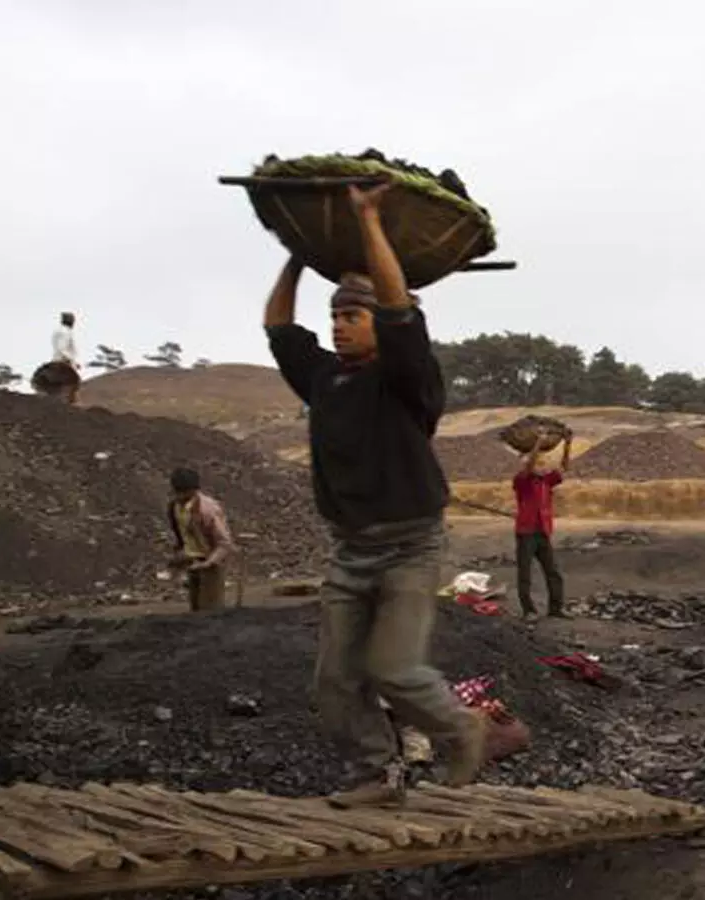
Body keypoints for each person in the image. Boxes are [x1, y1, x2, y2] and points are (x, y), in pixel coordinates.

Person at [264, 182, 488, 808]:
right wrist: (298, 255)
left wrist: (368, 221)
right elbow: (278, 325)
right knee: (336, 679)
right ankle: (380, 775)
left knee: (395, 668)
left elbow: (399, 313)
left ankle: (462, 729)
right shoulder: (325, 378)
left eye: (350, 316)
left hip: (411, 546)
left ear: (379, 325)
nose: (337, 327)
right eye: (334, 316)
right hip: (350, 550)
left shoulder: (408, 377)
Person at [513, 435, 573, 622]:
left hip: (542, 532)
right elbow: (529, 466)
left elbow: (564, 468)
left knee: (553, 572)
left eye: (543, 464)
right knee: (525, 574)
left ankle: (556, 608)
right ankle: (528, 611)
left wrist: (567, 445)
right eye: (539, 464)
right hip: (526, 533)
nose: (543, 467)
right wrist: (538, 444)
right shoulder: (521, 481)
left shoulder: (546, 481)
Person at [165, 468, 234, 612]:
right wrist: (179, 555)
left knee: (210, 610)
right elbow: (182, 535)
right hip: (192, 561)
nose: (180, 496)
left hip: (211, 562)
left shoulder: (207, 509)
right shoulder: (175, 507)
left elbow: (224, 543)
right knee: (195, 610)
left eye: (184, 492)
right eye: (177, 492)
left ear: (194, 490)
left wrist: (208, 563)